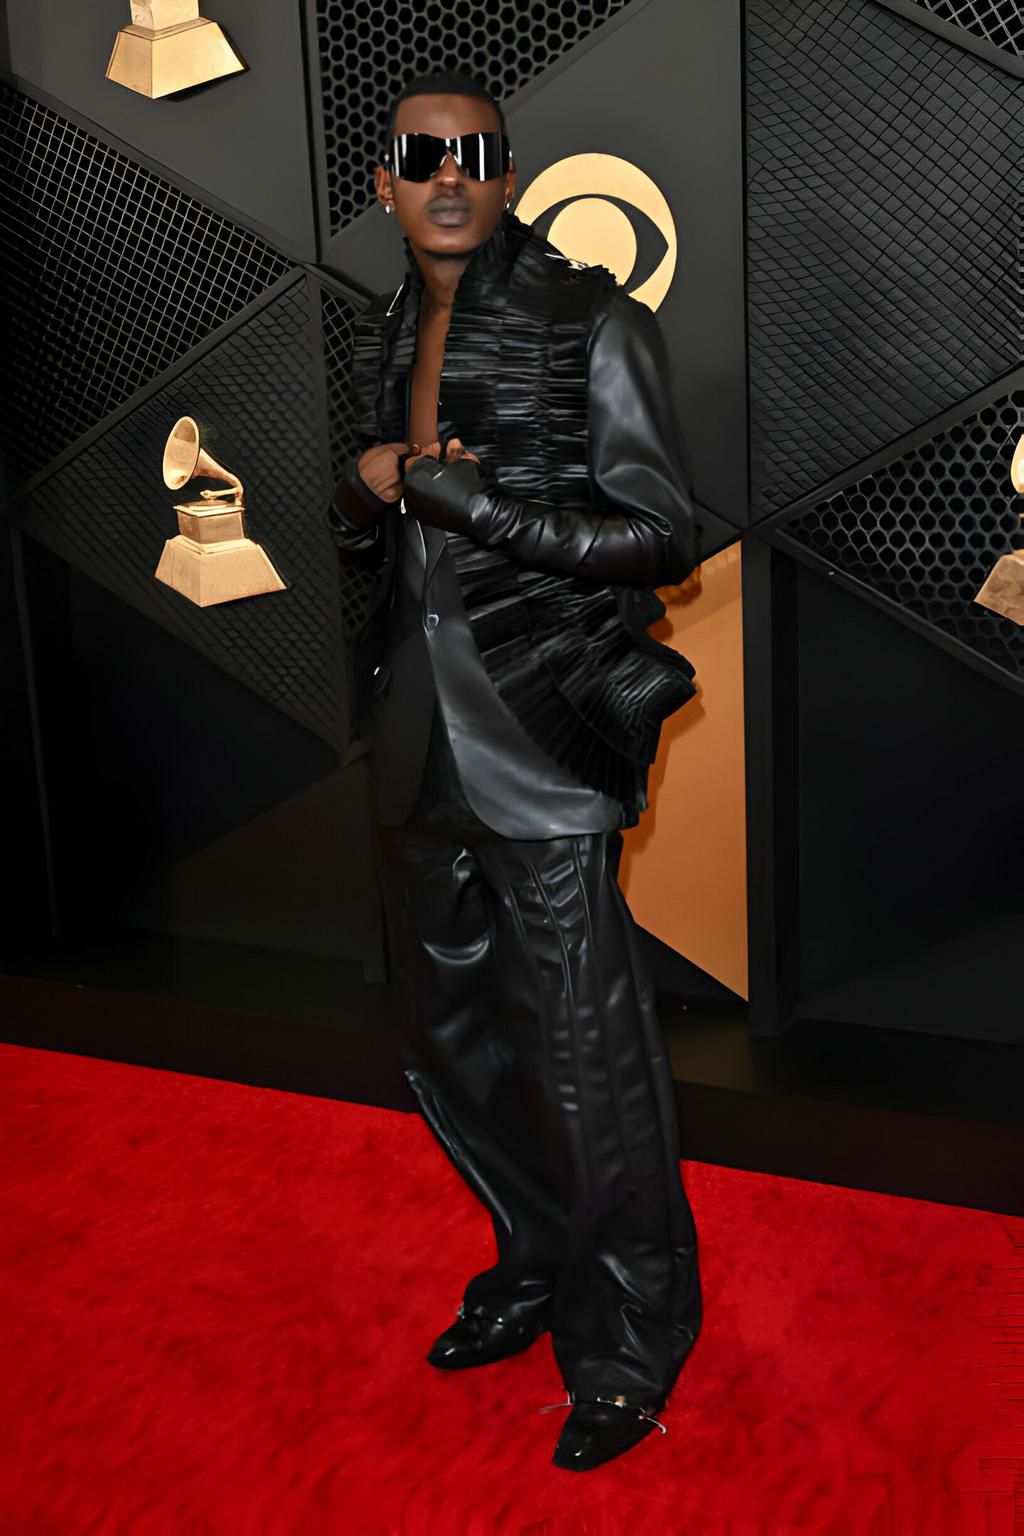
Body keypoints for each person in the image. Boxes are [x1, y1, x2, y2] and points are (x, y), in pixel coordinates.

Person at [329, 67, 704, 1472]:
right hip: (415, 736)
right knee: (455, 1045)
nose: (446, 176)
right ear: (384, 182)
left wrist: (486, 507)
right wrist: (364, 487)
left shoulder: (590, 322)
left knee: (589, 1056)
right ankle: (537, 1261)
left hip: (542, 736)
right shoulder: (381, 329)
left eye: (473, 155)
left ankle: (631, 1338)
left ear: (506, 176)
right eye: (419, 154)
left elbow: (663, 531)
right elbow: (381, 516)